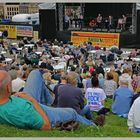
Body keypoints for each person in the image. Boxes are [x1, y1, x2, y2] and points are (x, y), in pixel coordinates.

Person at [0, 70, 105, 130]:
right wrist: (32, 101)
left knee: (35, 73)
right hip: (36, 108)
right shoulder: (22, 113)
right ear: (8, 88)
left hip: (17, 99)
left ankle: (51, 102)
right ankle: (93, 125)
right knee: (71, 112)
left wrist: (14, 96)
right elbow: (46, 126)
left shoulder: (59, 87)